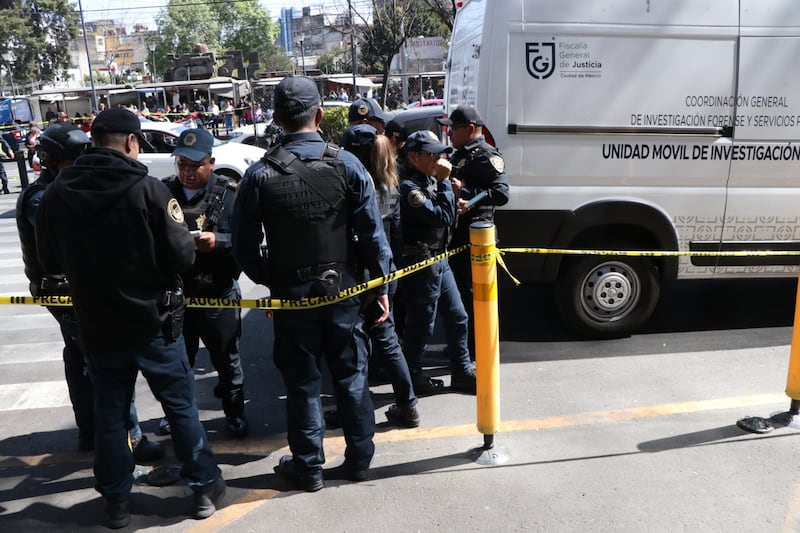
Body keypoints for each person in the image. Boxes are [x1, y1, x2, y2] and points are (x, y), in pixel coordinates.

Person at [35, 108, 225, 528]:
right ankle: (202, 490)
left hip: (97, 324)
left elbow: (48, 260)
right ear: (131, 142)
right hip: (153, 322)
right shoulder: (149, 191)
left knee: (110, 415)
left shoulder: (56, 193)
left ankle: (117, 500)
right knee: (180, 409)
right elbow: (181, 255)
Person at [232, 76, 392, 490]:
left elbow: (246, 250)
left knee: (302, 383)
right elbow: (374, 238)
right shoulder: (348, 164)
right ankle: (359, 460)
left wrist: (275, 281)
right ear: (319, 115)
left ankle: (309, 467)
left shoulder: (259, 175)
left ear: (277, 119)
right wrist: (380, 289)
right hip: (345, 290)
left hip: (292, 295)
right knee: (351, 375)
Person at [15, 122, 164, 461]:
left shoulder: (56, 190)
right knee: (105, 365)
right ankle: (129, 439)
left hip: (71, 291)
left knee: (82, 360)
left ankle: (91, 432)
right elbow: (67, 252)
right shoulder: (47, 197)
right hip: (70, 292)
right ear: (53, 160)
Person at [161, 128, 249, 439]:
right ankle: (178, 417)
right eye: (181, 163)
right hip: (178, 295)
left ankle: (235, 413)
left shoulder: (229, 192)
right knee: (177, 362)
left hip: (217, 293)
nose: (186, 171)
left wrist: (220, 242)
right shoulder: (162, 193)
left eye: (194, 165)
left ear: (210, 162)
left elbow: (248, 240)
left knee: (227, 360)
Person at [341, 125, 419, 428]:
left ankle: (353, 410)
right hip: (386, 271)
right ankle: (408, 404)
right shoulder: (389, 182)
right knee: (388, 341)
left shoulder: (355, 186)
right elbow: (395, 236)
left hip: (361, 273)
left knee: (354, 344)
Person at [397, 130, 477, 395]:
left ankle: (462, 371)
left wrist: (453, 195)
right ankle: (412, 378)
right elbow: (439, 218)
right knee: (421, 324)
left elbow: (447, 217)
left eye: (439, 153)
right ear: (413, 156)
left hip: (440, 260)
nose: (438, 159)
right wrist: (445, 185)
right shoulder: (409, 187)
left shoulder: (427, 179)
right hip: (422, 264)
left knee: (458, 317)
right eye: (431, 154)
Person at [438, 106, 509, 360]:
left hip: (476, 239)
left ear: (469, 129)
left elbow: (501, 193)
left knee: (473, 297)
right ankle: (463, 345)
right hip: (458, 236)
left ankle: (475, 349)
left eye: (453, 129)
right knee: (460, 297)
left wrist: (467, 194)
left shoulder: (484, 155)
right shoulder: (459, 154)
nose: (449, 133)